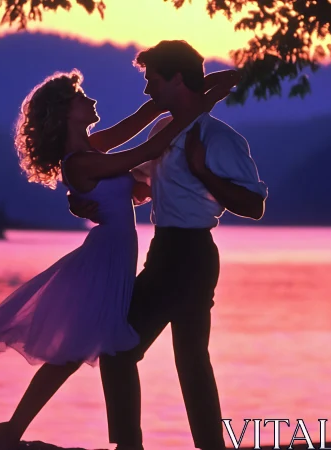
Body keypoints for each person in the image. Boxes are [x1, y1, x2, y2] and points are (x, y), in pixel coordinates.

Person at [0, 67, 239, 449]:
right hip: (104, 260)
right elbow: (149, 149)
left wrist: (210, 82)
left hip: (118, 256)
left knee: (72, 354)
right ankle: (39, 432)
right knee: (77, 352)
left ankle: (13, 430)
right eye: (81, 97)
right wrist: (207, 102)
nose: (90, 100)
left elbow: (147, 116)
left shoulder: (92, 148)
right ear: (65, 113)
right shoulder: (80, 162)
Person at [68, 40, 269, 450]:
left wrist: (202, 171)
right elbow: (139, 185)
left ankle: (130, 447)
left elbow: (254, 205)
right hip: (167, 251)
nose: (146, 90)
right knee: (191, 359)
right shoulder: (164, 129)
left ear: (176, 78)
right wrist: (87, 196)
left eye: (151, 79)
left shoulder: (219, 139)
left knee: (121, 349)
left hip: (189, 255)